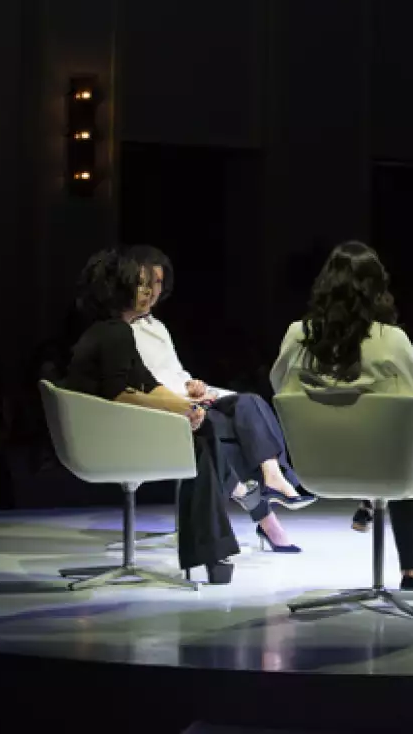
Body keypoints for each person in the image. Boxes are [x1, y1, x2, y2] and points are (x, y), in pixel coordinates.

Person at [62, 247, 238, 582]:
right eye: (138, 285)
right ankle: (210, 549)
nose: (148, 292)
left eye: (148, 285)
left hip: (112, 430)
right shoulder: (112, 333)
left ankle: (211, 547)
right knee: (202, 442)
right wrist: (184, 409)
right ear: (117, 288)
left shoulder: (118, 331)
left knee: (206, 431)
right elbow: (120, 394)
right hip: (103, 440)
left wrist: (187, 408)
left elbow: (146, 383)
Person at [270, 240, 413, 591]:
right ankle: (411, 570)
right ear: (378, 287)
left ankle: (367, 505)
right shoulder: (392, 339)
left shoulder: (296, 333)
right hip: (383, 467)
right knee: (406, 446)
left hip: (315, 466)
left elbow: (277, 384)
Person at [126, 244, 314, 553]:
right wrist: (184, 399)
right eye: (146, 282)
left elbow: (175, 371)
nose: (152, 291)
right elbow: (142, 385)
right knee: (222, 436)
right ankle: (267, 518)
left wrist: (194, 385)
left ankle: (273, 475)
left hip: (188, 398)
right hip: (163, 411)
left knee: (251, 403)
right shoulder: (119, 332)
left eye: (158, 283)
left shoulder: (156, 326)